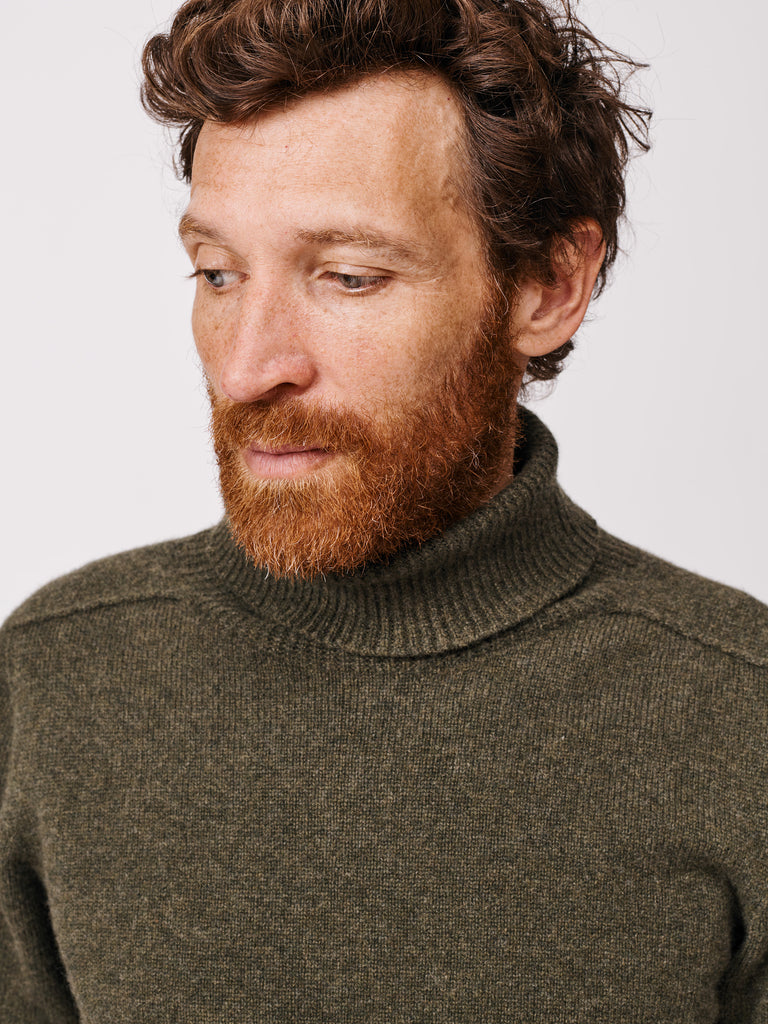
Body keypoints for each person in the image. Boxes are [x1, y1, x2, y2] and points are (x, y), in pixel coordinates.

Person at [0, 0, 765, 1019]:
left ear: (549, 286)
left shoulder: (738, 712)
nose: (247, 367)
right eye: (218, 272)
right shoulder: (53, 682)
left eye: (349, 277)